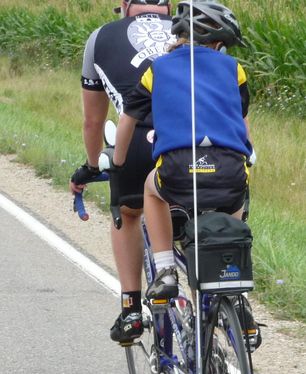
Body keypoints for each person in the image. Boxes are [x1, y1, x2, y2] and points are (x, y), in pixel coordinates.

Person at [112, 0, 252, 302]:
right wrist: (248, 154)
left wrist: (118, 162)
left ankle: (165, 271)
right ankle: (235, 286)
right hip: (229, 169)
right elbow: (242, 123)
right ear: (219, 44)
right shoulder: (234, 69)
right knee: (237, 193)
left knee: (151, 190)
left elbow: (128, 121)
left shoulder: (158, 69)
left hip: (177, 170)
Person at [70, 0, 174, 346]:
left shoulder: (100, 37)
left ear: (125, 6)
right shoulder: (193, 30)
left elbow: (93, 120)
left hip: (139, 143)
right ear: (168, 5)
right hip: (200, 145)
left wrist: (91, 164)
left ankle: (131, 309)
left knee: (128, 214)